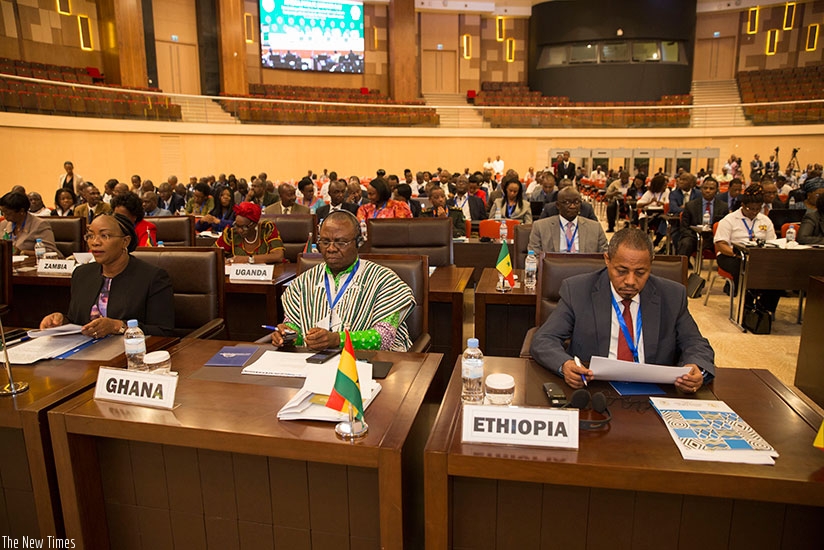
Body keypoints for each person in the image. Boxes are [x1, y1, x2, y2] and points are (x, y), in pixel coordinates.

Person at [530, 227, 715, 392]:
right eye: (622, 271)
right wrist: (565, 365)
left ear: (651, 264)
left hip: (653, 391)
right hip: (595, 389)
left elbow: (696, 343)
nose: (630, 281)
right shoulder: (578, 290)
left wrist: (696, 368)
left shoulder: (672, 295)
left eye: (641, 272)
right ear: (607, 260)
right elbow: (544, 339)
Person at [270, 210, 416, 351]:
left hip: (367, 364)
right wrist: (288, 335)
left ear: (358, 242)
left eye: (341, 243)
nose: (331, 248)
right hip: (313, 363)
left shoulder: (384, 280)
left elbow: (384, 338)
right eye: (325, 242)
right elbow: (294, 327)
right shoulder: (303, 282)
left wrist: (337, 339)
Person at [39, 213, 174, 337]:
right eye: (90, 235)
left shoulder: (153, 277)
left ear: (125, 241)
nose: (95, 242)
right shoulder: (81, 274)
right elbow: (77, 321)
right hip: (85, 355)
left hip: (129, 354)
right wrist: (61, 321)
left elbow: (163, 331)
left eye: (105, 236)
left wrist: (118, 326)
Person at [714, 184, 782, 315]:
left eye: (758, 209)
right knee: (744, 268)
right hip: (731, 256)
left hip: (759, 256)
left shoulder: (765, 220)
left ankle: (765, 308)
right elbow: (721, 244)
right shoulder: (729, 220)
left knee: (777, 273)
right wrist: (736, 254)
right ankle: (747, 307)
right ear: (743, 205)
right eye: (751, 209)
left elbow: (772, 242)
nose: (754, 212)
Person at [529, 187, 607, 254]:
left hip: (586, 270)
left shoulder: (595, 228)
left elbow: (605, 256)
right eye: (567, 202)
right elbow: (533, 256)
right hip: (554, 269)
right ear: (558, 205)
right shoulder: (540, 227)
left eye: (576, 202)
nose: (572, 206)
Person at [216, 202, 284, 264]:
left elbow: (278, 256)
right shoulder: (231, 233)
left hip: (269, 274)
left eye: (244, 227)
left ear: (254, 224)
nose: (239, 230)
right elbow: (213, 253)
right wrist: (224, 260)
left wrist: (249, 259)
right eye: (237, 225)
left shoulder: (267, 229)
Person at [677, 177, 729, 259]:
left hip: (713, 237)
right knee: (686, 243)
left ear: (716, 190)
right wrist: (698, 237)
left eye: (711, 188)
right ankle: (681, 268)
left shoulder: (723, 207)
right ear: (701, 189)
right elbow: (684, 228)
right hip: (694, 236)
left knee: (725, 245)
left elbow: (725, 227)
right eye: (705, 188)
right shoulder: (690, 205)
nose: (708, 191)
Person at [0, 192, 62, 257]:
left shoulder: (39, 225)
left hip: (30, 264)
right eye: (2, 212)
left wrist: (22, 252)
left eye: (8, 213)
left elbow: (50, 251)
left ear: (21, 211)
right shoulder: (4, 224)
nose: (5, 216)